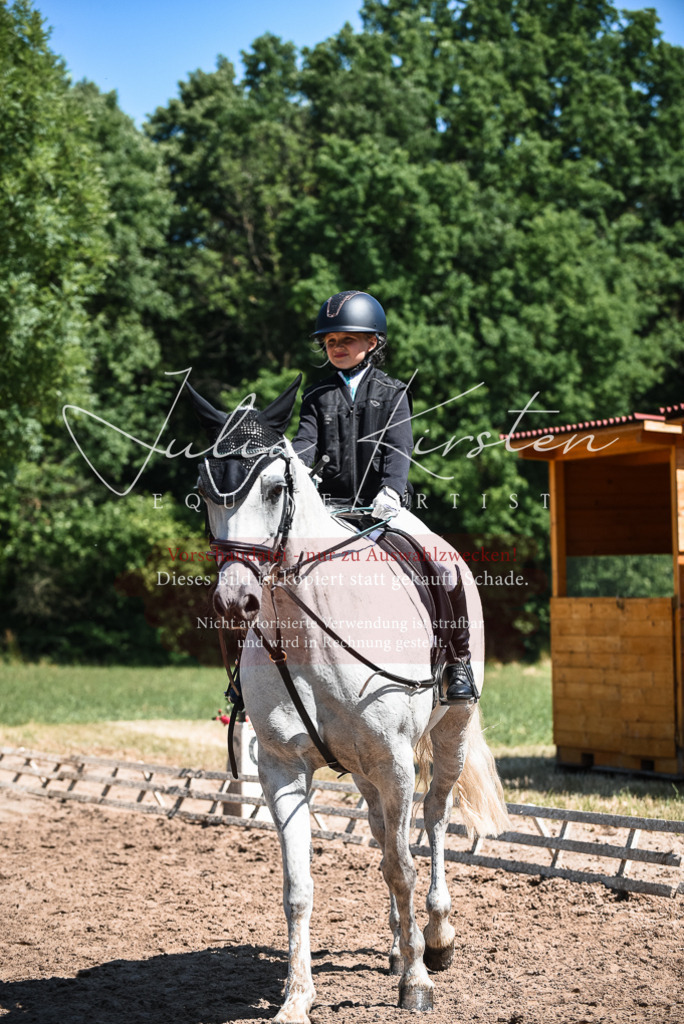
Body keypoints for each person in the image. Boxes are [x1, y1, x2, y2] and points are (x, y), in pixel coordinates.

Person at [292, 290, 477, 704]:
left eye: (346, 340)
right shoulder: (315, 396)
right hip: (330, 511)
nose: (336, 348)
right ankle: (256, 676)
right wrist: (297, 473)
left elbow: (398, 448)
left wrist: (392, 490)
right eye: (330, 342)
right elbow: (305, 446)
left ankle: (456, 662)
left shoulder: (394, 392)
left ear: (372, 343)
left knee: (445, 571)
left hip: (384, 509)